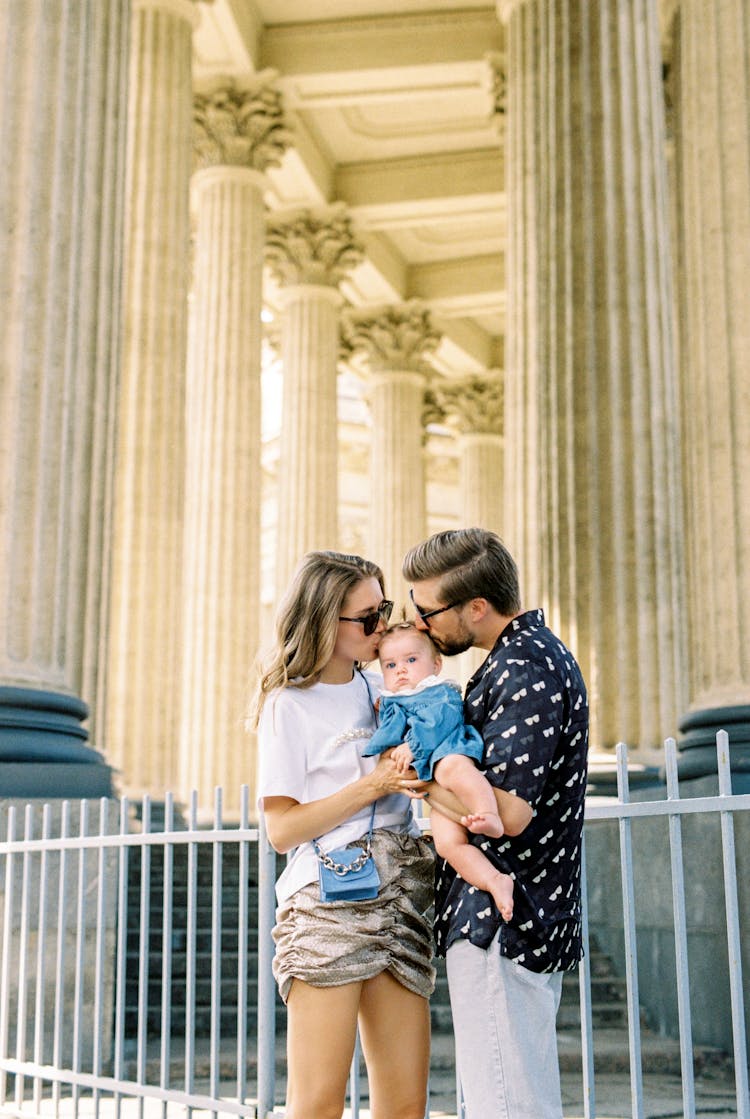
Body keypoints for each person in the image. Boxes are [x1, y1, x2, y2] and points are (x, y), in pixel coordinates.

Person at [402, 527, 589, 1119]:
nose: (420, 624)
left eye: (427, 611)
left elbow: (506, 813)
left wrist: (415, 783)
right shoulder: (517, 660)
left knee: (505, 1104)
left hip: (502, 922)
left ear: (476, 607)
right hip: (515, 917)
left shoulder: (523, 667)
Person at [250, 550, 436, 1119]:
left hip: (402, 892)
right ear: (324, 620)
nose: (382, 627)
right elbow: (281, 830)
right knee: (317, 1105)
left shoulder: (387, 687)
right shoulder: (288, 704)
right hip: (328, 900)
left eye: (383, 610)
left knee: (405, 1105)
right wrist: (374, 784)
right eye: (367, 618)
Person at [363, 621, 514, 921]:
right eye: (390, 665)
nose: (401, 670)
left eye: (410, 660)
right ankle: (494, 880)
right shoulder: (393, 699)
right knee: (447, 844)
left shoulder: (436, 692)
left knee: (454, 771)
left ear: (436, 664)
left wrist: (413, 747)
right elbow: (390, 734)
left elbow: (438, 722)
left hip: (450, 750)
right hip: (431, 775)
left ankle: (490, 813)